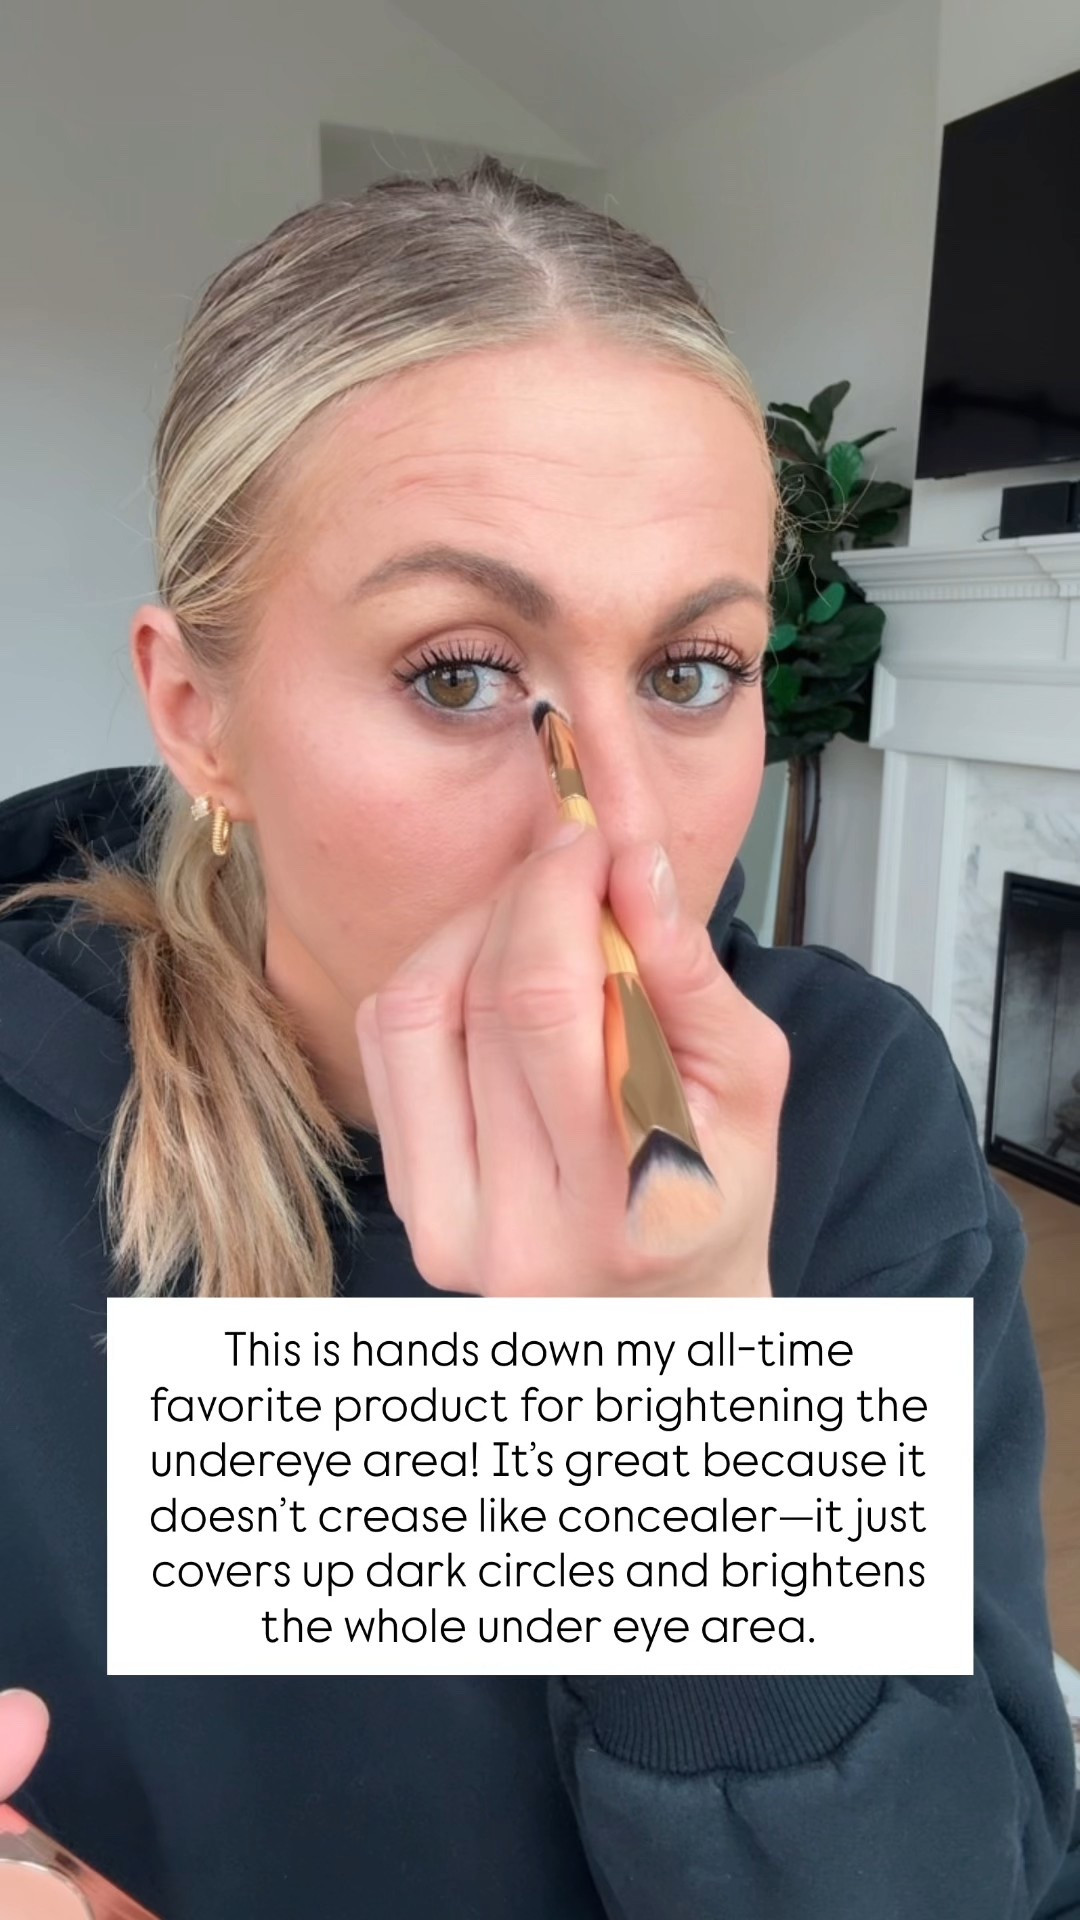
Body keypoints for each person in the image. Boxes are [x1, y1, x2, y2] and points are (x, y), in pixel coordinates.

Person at [0, 154, 1076, 1919]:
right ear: (198, 714)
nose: (621, 828)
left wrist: (681, 1425)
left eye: (692, 669)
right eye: (457, 673)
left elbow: (963, 1880)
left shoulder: (848, 1109)